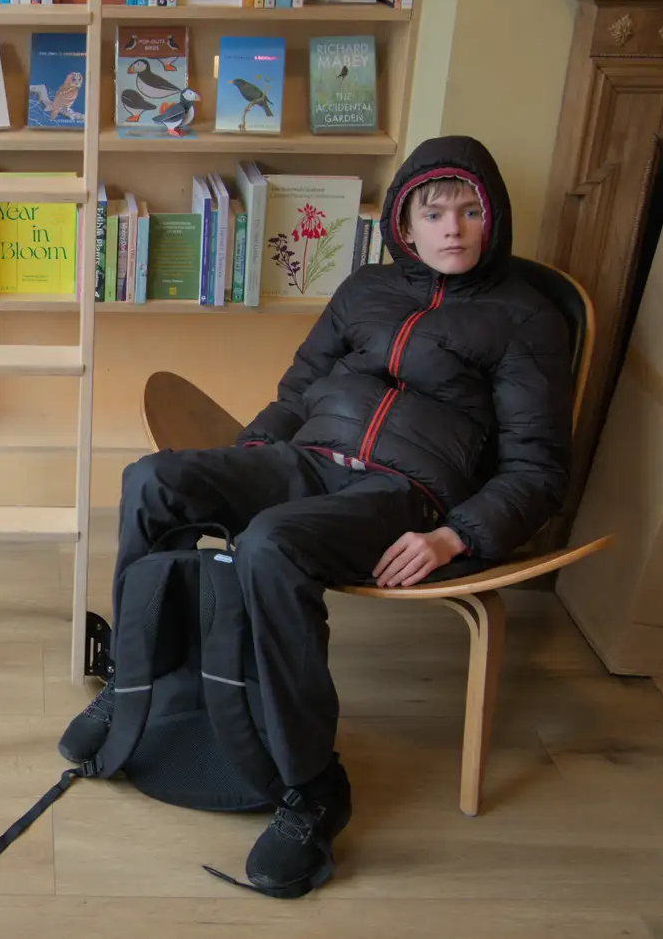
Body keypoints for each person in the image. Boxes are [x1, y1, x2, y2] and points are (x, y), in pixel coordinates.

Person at [59, 135, 574, 898]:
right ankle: (141, 681)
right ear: (406, 220)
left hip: (402, 494)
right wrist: (250, 460)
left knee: (270, 547)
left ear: (493, 217)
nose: (453, 229)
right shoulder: (365, 288)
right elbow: (299, 388)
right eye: (434, 212)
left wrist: (453, 535)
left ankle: (311, 786)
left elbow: (539, 470)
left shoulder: (525, 319)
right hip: (307, 457)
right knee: (153, 480)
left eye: (470, 211)